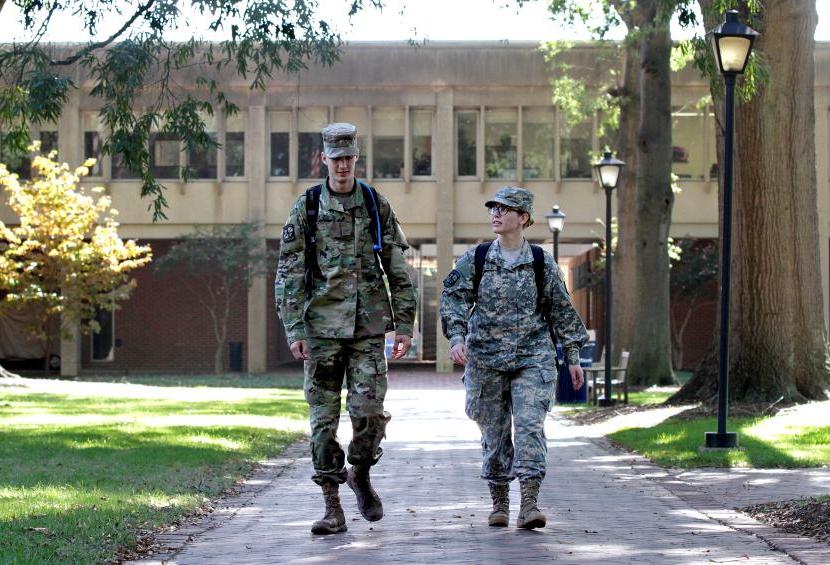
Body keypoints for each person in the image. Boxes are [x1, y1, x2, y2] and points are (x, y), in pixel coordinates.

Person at [275, 122, 417, 535]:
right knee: (323, 421)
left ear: (356, 158)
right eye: (335, 158)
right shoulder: (309, 206)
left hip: (367, 329)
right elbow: (289, 272)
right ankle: (331, 506)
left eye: (348, 158)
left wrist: (404, 324)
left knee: (369, 415)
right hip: (320, 330)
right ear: (323, 159)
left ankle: (361, 472)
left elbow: (397, 268)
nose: (341, 165)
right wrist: (293, 328)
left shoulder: (375, 203)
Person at [440, 186, 588, 530]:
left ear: (523, 218)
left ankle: (530, 503)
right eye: (493, 208)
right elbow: (454, 297)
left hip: (533, 358)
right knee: (494, 433)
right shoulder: (476, 258)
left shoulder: (540, 261)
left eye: (504, 209)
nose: (495, 213)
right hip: (486, 360)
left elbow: (561, 310)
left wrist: (574, 355)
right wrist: (457, 337)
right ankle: (500, 502)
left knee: (530, 428)